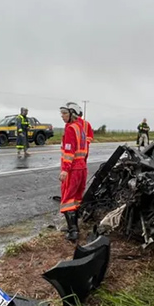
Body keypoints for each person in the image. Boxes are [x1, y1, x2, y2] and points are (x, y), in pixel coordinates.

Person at [59, 101, 90, 242]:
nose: (62, 116)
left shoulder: (71, 128)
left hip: (72, 169)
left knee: (67, 199)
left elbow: (69, 151)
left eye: (65, 113)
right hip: (81, 167)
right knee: (77, 198)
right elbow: (85, 150)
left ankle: (73, 231)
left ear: (72, 114)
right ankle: (74, 225)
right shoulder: (80, 127)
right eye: (62, 113)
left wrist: (65, 170)